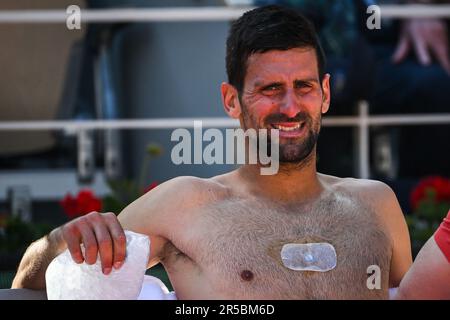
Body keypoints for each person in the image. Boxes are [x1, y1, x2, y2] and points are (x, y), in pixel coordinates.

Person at [12, 5, 413, 299]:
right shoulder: (185, 204)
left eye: (304, 87)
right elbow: (27, 288)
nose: (291, 107)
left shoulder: (376, 204)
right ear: (231, 101)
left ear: (325, 93)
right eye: (270, 90)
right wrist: (62, 240)